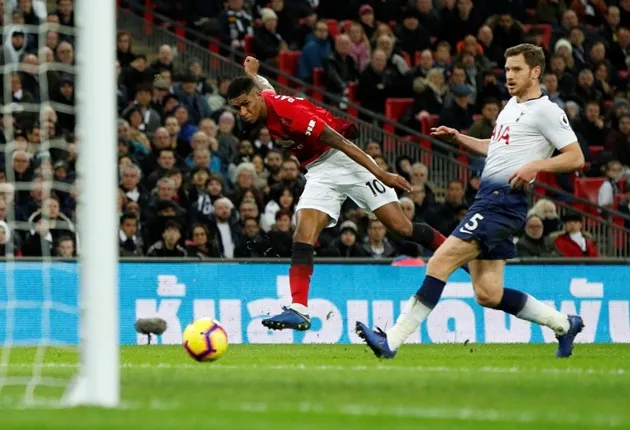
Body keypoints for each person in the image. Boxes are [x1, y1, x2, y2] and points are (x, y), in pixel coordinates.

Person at [356, 44, 586, 359]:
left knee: (439, 262)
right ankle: (564, 323)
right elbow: (497, 148)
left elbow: (576, 157)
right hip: (489, 202)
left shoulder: (547, 111)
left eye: (517, 69)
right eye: (506, 70)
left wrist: (536, 166)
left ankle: (391, 341)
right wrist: (460, 138)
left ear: (536, 72)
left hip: (503, 203)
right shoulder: (510, 107)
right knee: (488, 294)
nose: (509, 76)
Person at [227, 56, 461, 332]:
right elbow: (266, 88)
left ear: (256, 98)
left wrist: (382, 173)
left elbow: (340, 142)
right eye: (237, 108)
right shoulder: (265, 100)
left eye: (245, 105)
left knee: (402, 228)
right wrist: (251, 73)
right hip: (319, 170)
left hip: (345, 159)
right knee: (303, 232)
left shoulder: (293, 115)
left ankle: (459, 253)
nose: (242, 113)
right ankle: (299, 309)